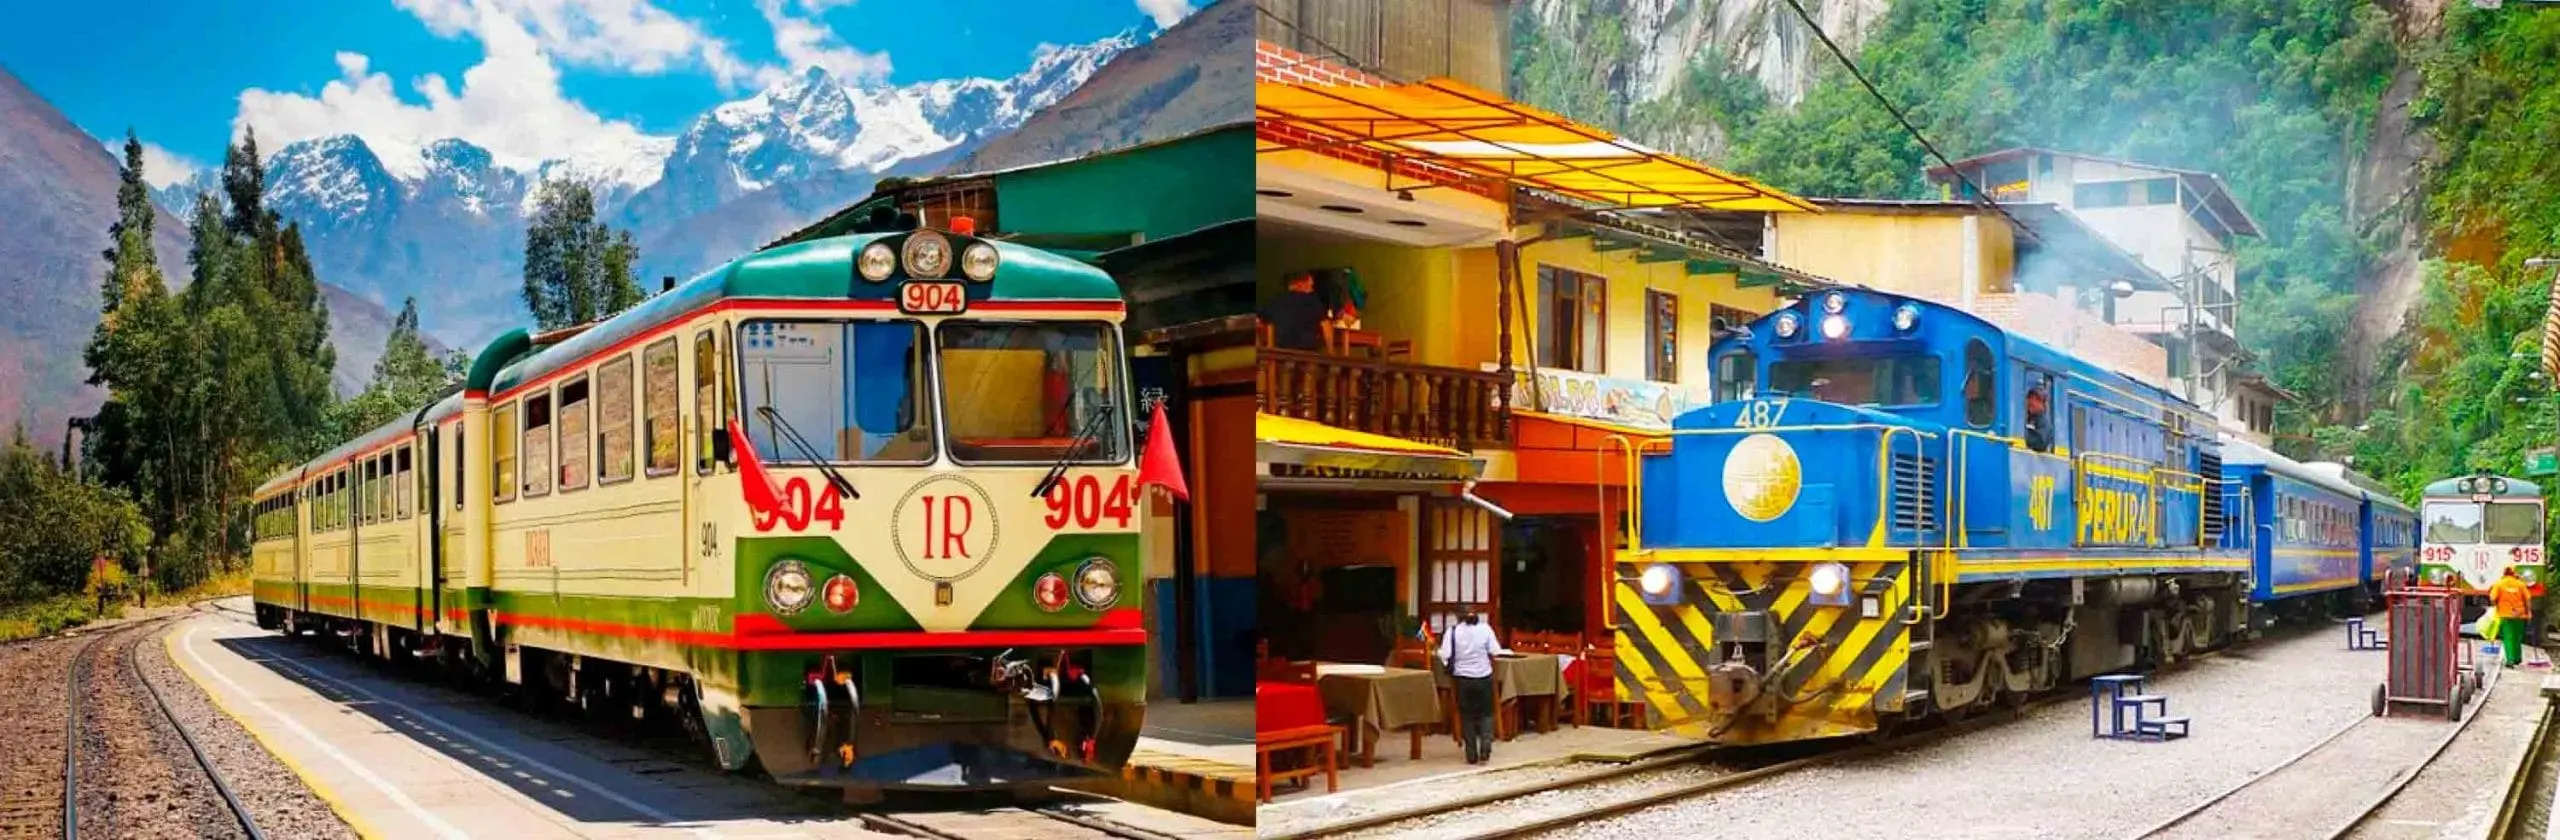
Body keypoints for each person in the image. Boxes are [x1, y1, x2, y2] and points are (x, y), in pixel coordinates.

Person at [1438, 609, 1501, 765]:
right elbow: (1495, 651)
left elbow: (1445, 655)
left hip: (1463, 678)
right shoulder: (1485, 629)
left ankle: (1471, 754)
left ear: (1458, 616)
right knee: (1487, 713)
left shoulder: (1452, 632)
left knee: (1467, 715)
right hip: (1484, 676)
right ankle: (1485, 748)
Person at [1259, 272, 1333, 352]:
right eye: (1310, 286)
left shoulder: (1275, 301)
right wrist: (1331, 352)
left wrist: (1269, 347)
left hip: (1281, 352)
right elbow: (1326, 327)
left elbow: (1265, 323)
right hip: (1307, 352)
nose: (1312, 290)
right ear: (1299, 284)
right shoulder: (1313, 301)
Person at [2489, 567, 2539, 668]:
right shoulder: (2520, 584)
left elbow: (2493, 598)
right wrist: (2529, 612)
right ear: (2514, 573)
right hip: (2520, 615)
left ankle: (2510, 660)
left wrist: (2495, 606)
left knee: (2508, 638)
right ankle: (2517, 658)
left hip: (2505, 615)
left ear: (2504, 573)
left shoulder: (2499, 584)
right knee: (2518, 637)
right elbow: (2528, 599)